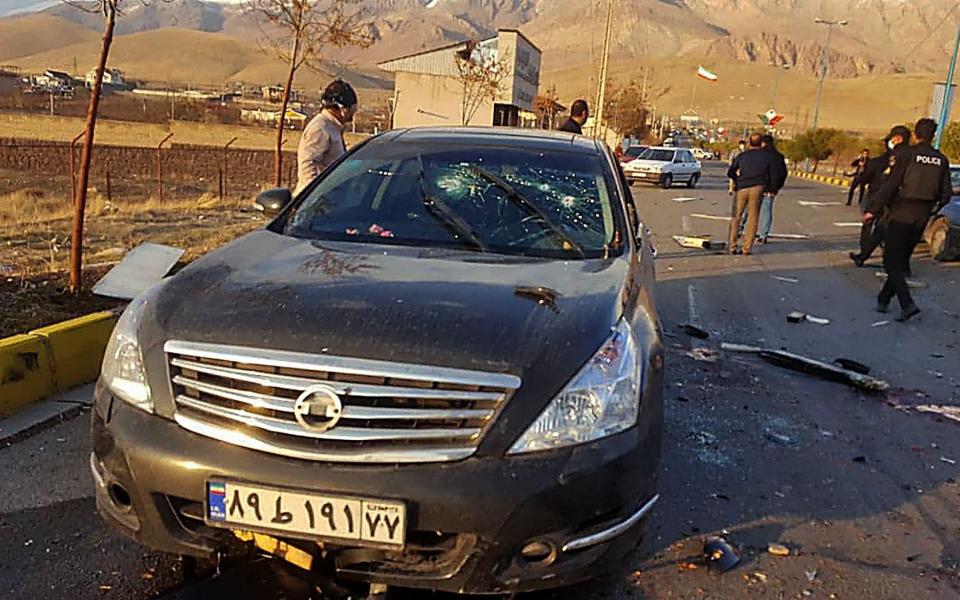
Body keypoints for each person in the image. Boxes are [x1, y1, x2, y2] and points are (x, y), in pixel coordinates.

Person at [867, 118, 952, 321]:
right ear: (933, 136)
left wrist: (874, 209)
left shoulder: (907, 155)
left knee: (890, 261)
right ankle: (884, 299)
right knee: (901, 259)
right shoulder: (941, 159)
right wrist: (932, 209)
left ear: (915, 134)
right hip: (922, 215)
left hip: (901, 212)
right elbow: (946, 193)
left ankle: (907, 304)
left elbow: (891, 184)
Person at [850, 126, 910, 267]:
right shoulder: (910, 157)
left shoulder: (882, 161)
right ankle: (887, 258)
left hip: (877, 197)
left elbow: (866, 179)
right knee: (884, 229)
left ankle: (864, 253)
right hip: (897, 201)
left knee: (869, 225)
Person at [295, 79, 357, 195]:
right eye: (351, 110)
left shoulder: (333, 128)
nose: (352, 116)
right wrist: (314, 196)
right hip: (317, 204)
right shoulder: (320, 128)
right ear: (342, 108)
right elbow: (307, 165)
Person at [727, 133, 774, 255]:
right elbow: (771, 174)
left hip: (742, 187)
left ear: (749, 143)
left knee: (736, 217)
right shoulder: (767, 157)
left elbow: (731, 171)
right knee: (753, 218)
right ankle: (746, 248)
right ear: (760, 143)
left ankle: (732, 246)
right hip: (758, 188)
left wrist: (737, 180)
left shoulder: (742, 156)